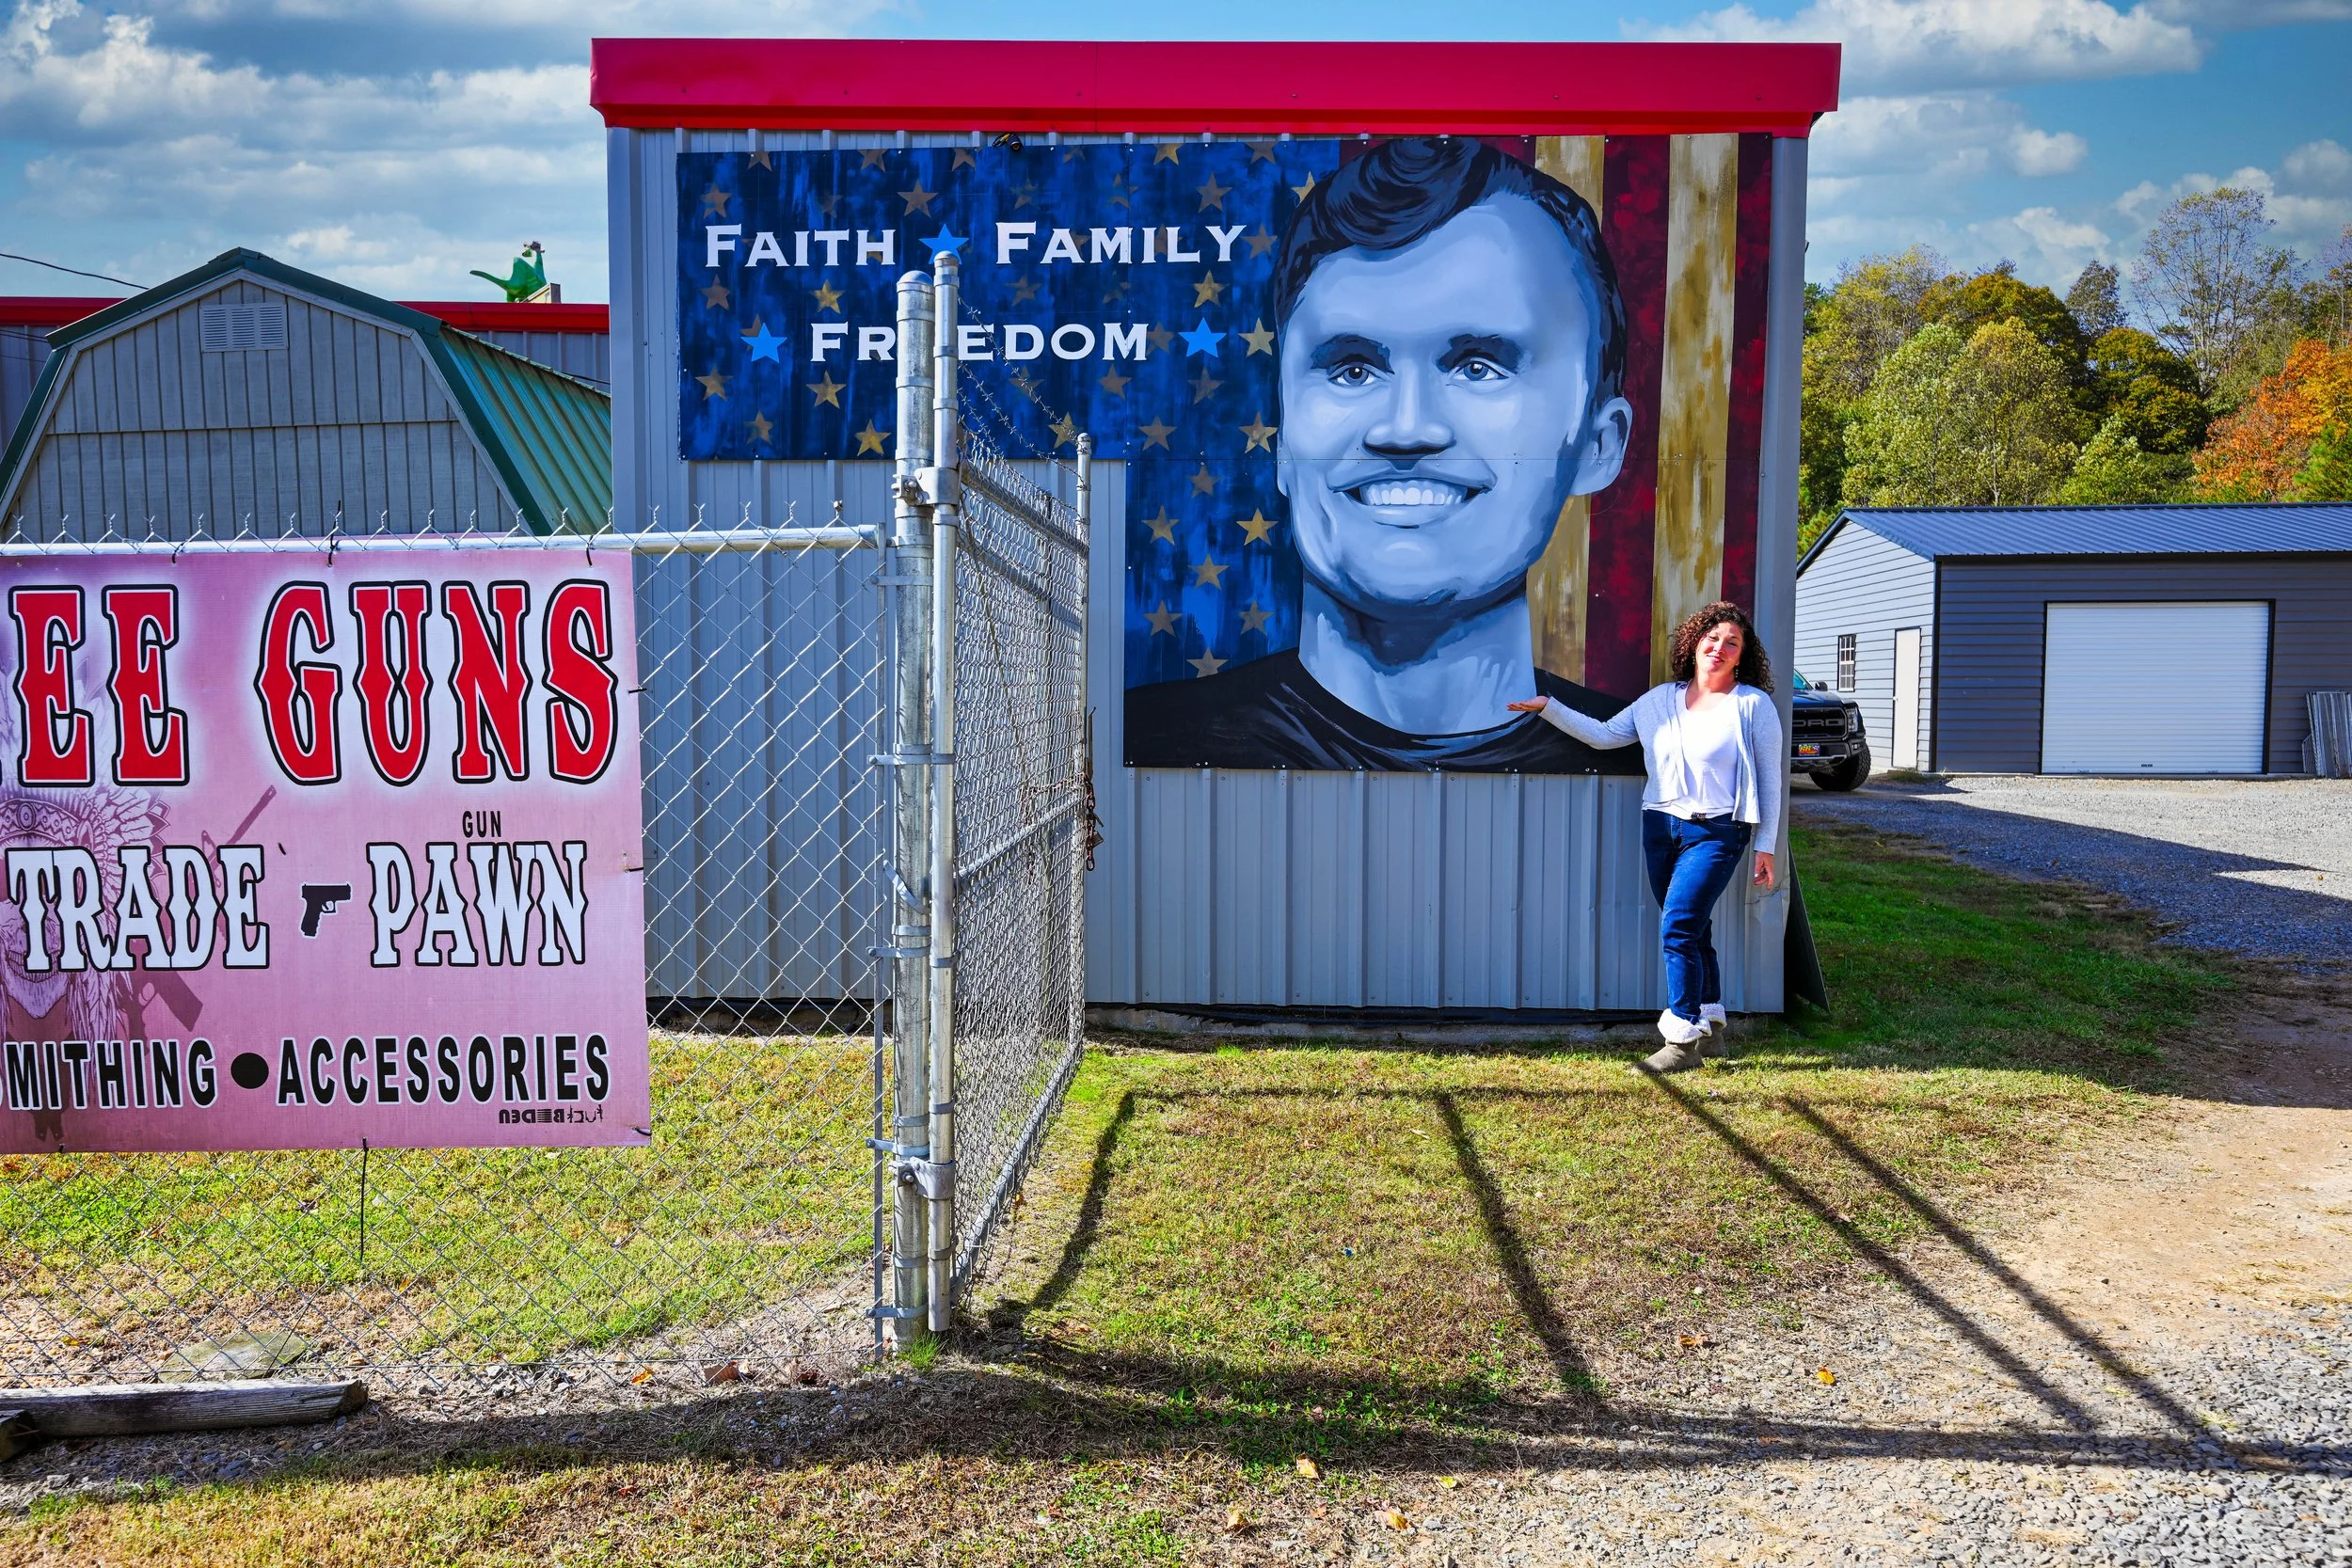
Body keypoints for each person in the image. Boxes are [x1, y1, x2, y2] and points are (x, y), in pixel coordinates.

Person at [1124, 135, 1641, 773]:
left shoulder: (1653, 755)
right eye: (1352, 368)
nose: (1406, 428)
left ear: (1597, 444)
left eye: (1479, 367)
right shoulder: (1148, 740)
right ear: (1284, 441)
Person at [1507, 601, 1783, 1071]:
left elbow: (1770, 779)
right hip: (1660, 825)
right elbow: (1603, 736)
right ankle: (1712, 1030)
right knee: (1694, 927)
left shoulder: (1752, 706)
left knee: (1678, 925)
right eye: (1712, 638)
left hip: (1718, 832)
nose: (1719, 648)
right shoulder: (1657, 700)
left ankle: (1681, 1040)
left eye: (1732, 643)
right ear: (1695, 643)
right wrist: (1548, 707)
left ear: (1743, 655)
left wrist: (1766, 845)